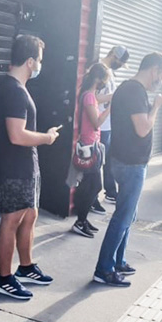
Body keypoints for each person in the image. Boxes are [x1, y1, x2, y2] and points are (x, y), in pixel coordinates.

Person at [93, 52, 162, 287]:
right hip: (131, 163)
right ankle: (104, 269)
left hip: (122, 160)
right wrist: (156, 106)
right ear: (154, 70)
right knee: (123, 216)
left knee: (129, 214)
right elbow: (143, 128)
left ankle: (118, 261)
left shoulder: (126, 88)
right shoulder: (136, 92)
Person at [0, 34, 59, 300]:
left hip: (26, 165)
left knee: (29, 215)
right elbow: (16, 135)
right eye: (39, 60)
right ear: (30, 61)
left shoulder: (18, 88)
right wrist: (47, 138)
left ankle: (26, 267)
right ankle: (4, 278)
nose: (41, 65)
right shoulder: (13, 90)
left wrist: (42, 136)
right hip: (14, 167)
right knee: (12, 219)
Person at [70, 63, 111, 238]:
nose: (105, 83)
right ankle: (80, 221)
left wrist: (112, 97)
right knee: (93, 185)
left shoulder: (90, 95)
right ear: (99, 79)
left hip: (92, 145)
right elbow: (96, 122)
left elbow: (99, 99)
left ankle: (82, 219)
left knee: (89, 185)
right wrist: (111, 107)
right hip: (88, 147)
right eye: (105, 79)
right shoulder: (88, 97)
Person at [96, 46, 130, 205]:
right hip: (99, 124)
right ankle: (93, 196)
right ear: (114, 56)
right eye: (120, 62)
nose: (120, 66)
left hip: (108, 123)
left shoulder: (110, 72)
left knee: (108, 160)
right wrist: (114, 96)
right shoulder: (98, 70)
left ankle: (110, 191)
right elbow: (93, 97)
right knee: (98, 161)